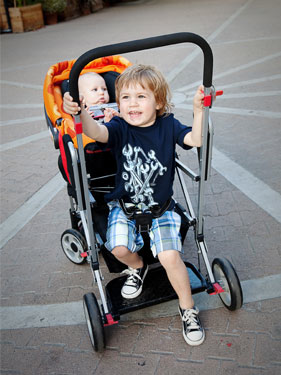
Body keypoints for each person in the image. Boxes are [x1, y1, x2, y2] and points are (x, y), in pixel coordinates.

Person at [63, 64, 205, 346]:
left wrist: (199, 111)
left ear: (159, 102)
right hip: (124, 207)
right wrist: (79, 112)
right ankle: (137, 267)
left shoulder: (168, 125)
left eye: (141, 97)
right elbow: (97, 131)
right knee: (117, 249)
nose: (132, 104)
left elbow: (195, 139)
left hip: (161, 208)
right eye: (125, 97)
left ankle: (188, 308)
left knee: (169, 257)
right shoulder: (118, 127)